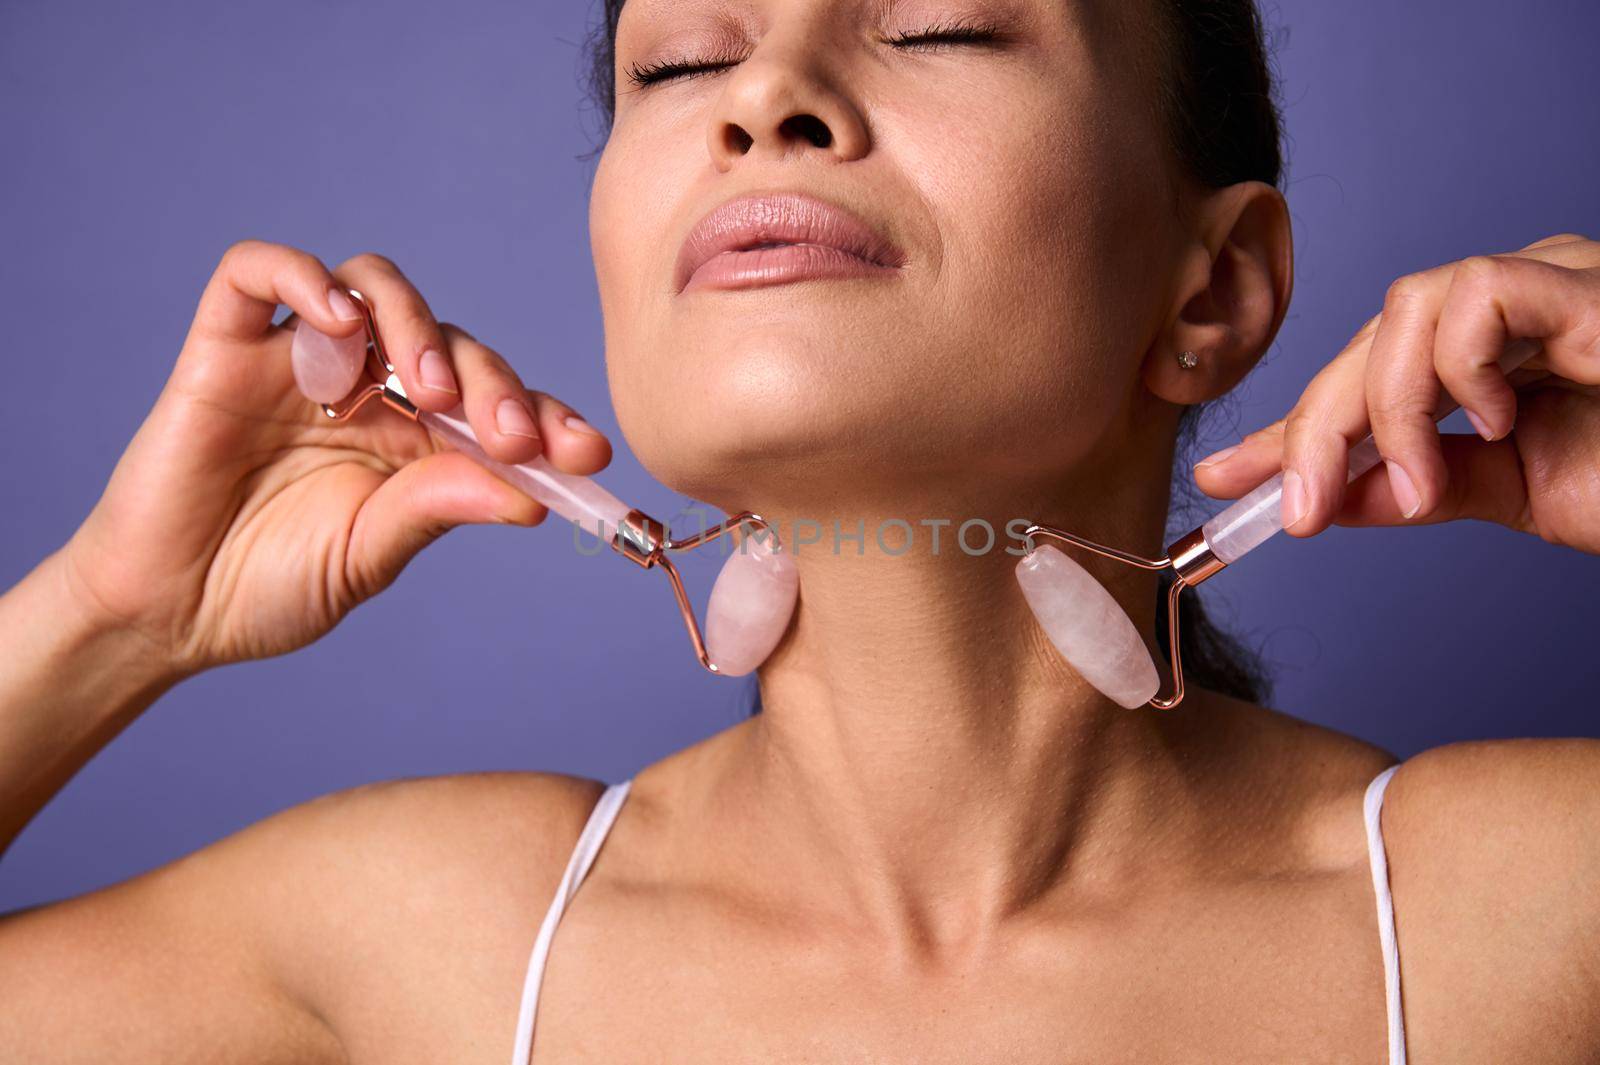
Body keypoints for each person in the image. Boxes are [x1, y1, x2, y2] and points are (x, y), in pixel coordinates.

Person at [3, 0, 1597, 1060]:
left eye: (942, 23)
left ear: (1217, 288)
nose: (765, 96)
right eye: (684, 59)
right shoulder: (430, 934)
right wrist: (114, 613)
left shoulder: (1514, 911)